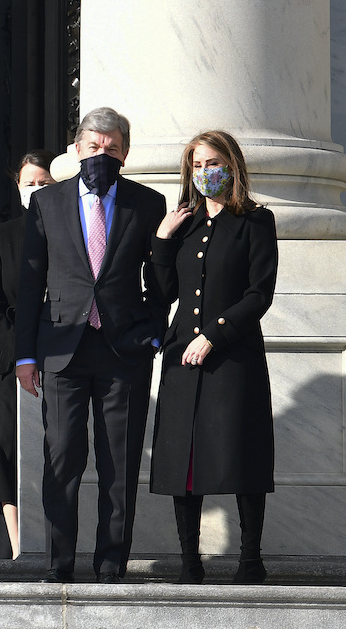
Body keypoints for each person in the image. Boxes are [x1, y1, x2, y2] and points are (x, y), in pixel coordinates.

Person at [15, 107, 167, 583]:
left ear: (124, 152)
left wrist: (155, 330)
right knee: (61, 458)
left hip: (124, 351)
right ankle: (59, 566)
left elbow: (161, 279)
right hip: (63, 348)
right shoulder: (48, 203)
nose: (102, 155)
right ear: (76, 149)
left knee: (118, 464)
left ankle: (110, 568)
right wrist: (25, 353)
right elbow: (29, 282)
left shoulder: (148, 204)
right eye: (93, 147)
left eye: (112, 148)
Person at [150, 130, 278, 585]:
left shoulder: (256, 221)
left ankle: (250, 560)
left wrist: (214, 336)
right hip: (181, 351)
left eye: (212, 163)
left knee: (240, 450)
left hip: (233, 354)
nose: (205, 173)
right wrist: (162, 240)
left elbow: (259, 293)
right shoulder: (183, 223)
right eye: (197, 165)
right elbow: (163, 293)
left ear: (232, 165)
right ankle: (189, 562)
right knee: (183, 455)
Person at [0, 149, 56, 559]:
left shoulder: (71, 232)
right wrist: (22, 350)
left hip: (62, 357)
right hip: (10, 363)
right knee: (4, 449)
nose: (38, 190)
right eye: (30, 183)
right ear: (18, 188)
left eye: (45, 183)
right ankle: (19, 546)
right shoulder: (1, 236)